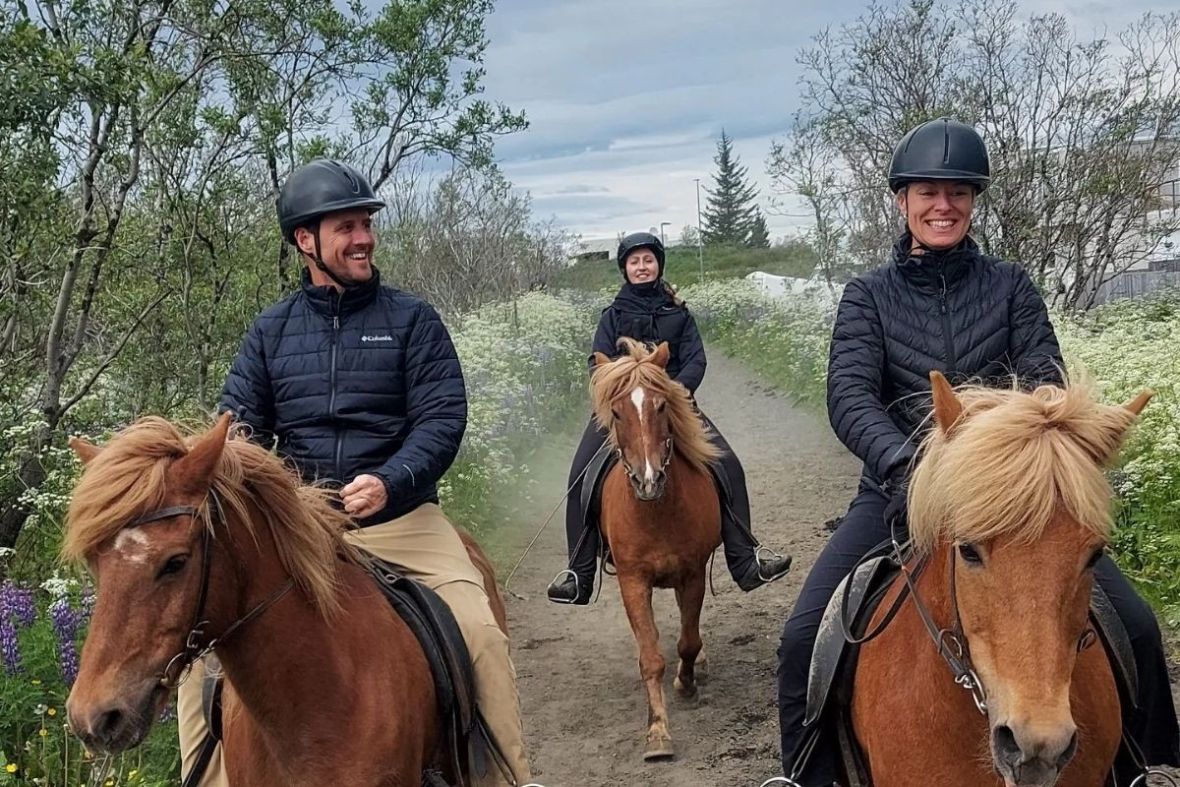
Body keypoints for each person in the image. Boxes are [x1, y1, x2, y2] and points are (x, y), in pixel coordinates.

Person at [775, 117, 1180, 785]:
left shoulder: (1012, 287)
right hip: (899, 494)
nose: (943, 206)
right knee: (801, 640)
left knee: (1134, 623)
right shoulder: (867, 297)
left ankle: (1151, 767)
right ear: (902, 201)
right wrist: (915, 470)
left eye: (958, 193)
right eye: (928, 192)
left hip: (1015, 506)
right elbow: (850, 398)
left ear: (973, 201)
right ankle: (805, 776)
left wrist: (1036, 456)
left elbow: (1046, 379)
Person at [177, 159, 532, 787]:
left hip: (403, 519)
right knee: (198, 662)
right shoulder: (270, 331)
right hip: (299, 533)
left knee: (479, 633)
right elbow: (237, 433)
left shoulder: (413, 321)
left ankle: (504, 778)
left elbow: (442, 419)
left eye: (366, 223)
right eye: (347, 226)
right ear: (305, 241)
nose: (364, 236)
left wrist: (392, 480)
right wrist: (281, 499)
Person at [546, 231, 793, 605]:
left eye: (648, 260)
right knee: (579, 474)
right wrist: (626, 391)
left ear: (658, 264)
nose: (642, 267)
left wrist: (672, 394)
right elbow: (596, 361)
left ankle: (745, 558)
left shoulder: (679, 314)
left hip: (673, 405)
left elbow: (696, 360)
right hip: (624, 407)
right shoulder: (611, 316)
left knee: (729, 465)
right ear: (625, 269)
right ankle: (577, 572)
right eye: (634, 261)